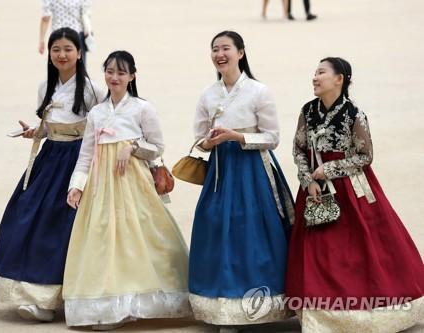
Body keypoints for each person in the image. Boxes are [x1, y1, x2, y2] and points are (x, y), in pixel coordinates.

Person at [286, 57, 424, 332]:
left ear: (340, 79)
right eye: (314, 73)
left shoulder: (354, 114)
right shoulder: (307, 111)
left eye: (321, 73)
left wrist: (331, 167)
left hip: (351, 188)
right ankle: (320, 314)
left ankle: (368, 310)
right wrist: (307, 180)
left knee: (361, 248)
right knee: (318, 250)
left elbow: (365, 156)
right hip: (316, 188)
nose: (315, 77)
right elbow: (299, 148)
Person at [63, 50, 192, 330]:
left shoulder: (142, 108)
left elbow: (158, 147)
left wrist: (131, 147)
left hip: (134, 184)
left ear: (132, 76)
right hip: (101, 187)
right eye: (109, 71)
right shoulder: (97, 112)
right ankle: (109, 307)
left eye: (121, 72)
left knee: (140, 239)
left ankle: (140, 302)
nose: (114, 77)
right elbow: (85, 155)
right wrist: (76, 187)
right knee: (103, 241)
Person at [0, 27, 105, 322]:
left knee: (64, 226)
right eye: (56, 49)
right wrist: (35, 131)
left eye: (68, 49)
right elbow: (52, 123)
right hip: (49, 159)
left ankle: (60, 298)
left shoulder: (93, 90)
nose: (62, 55)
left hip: (78, 162)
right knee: (29, 217)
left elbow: (102, 128)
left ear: (80, 53)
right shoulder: (46, 87)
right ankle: (37, 295)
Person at [188, 30, 295, 333]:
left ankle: (261, 302)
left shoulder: (258, 91)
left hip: (253, 170)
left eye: (226, 48)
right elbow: (198, 137)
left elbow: (272, 138)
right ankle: (224, 305)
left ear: (241, 52)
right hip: (221, 171)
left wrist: (236, 136)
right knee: (216, 229)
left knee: (254, 230)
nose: (220, 54)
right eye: (215, 49)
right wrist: (209, 141)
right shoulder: (208, 93)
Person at [39, 0, 95, 65]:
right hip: (77, 34)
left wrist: (41, 41)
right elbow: (86, 12)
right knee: (79, 67)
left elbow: (46, 18)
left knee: (57, 67)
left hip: (57, 35)